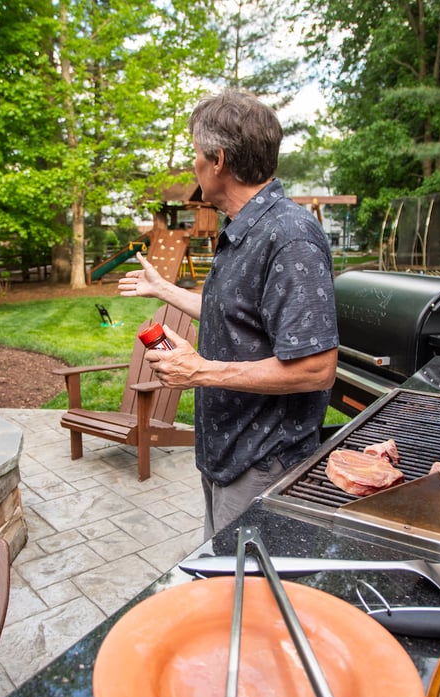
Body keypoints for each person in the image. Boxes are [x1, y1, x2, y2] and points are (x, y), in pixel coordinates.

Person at [118, 90, 339, 539]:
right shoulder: (241, 229)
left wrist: (199, 370)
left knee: (252, 596)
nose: (193, 166)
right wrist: (165, 290)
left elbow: (316, 368)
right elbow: (234, 318)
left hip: (263, 459)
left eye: (195, 155)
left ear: (217, 160)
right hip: (225, 450)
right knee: (223, 584)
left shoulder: (289, 236)